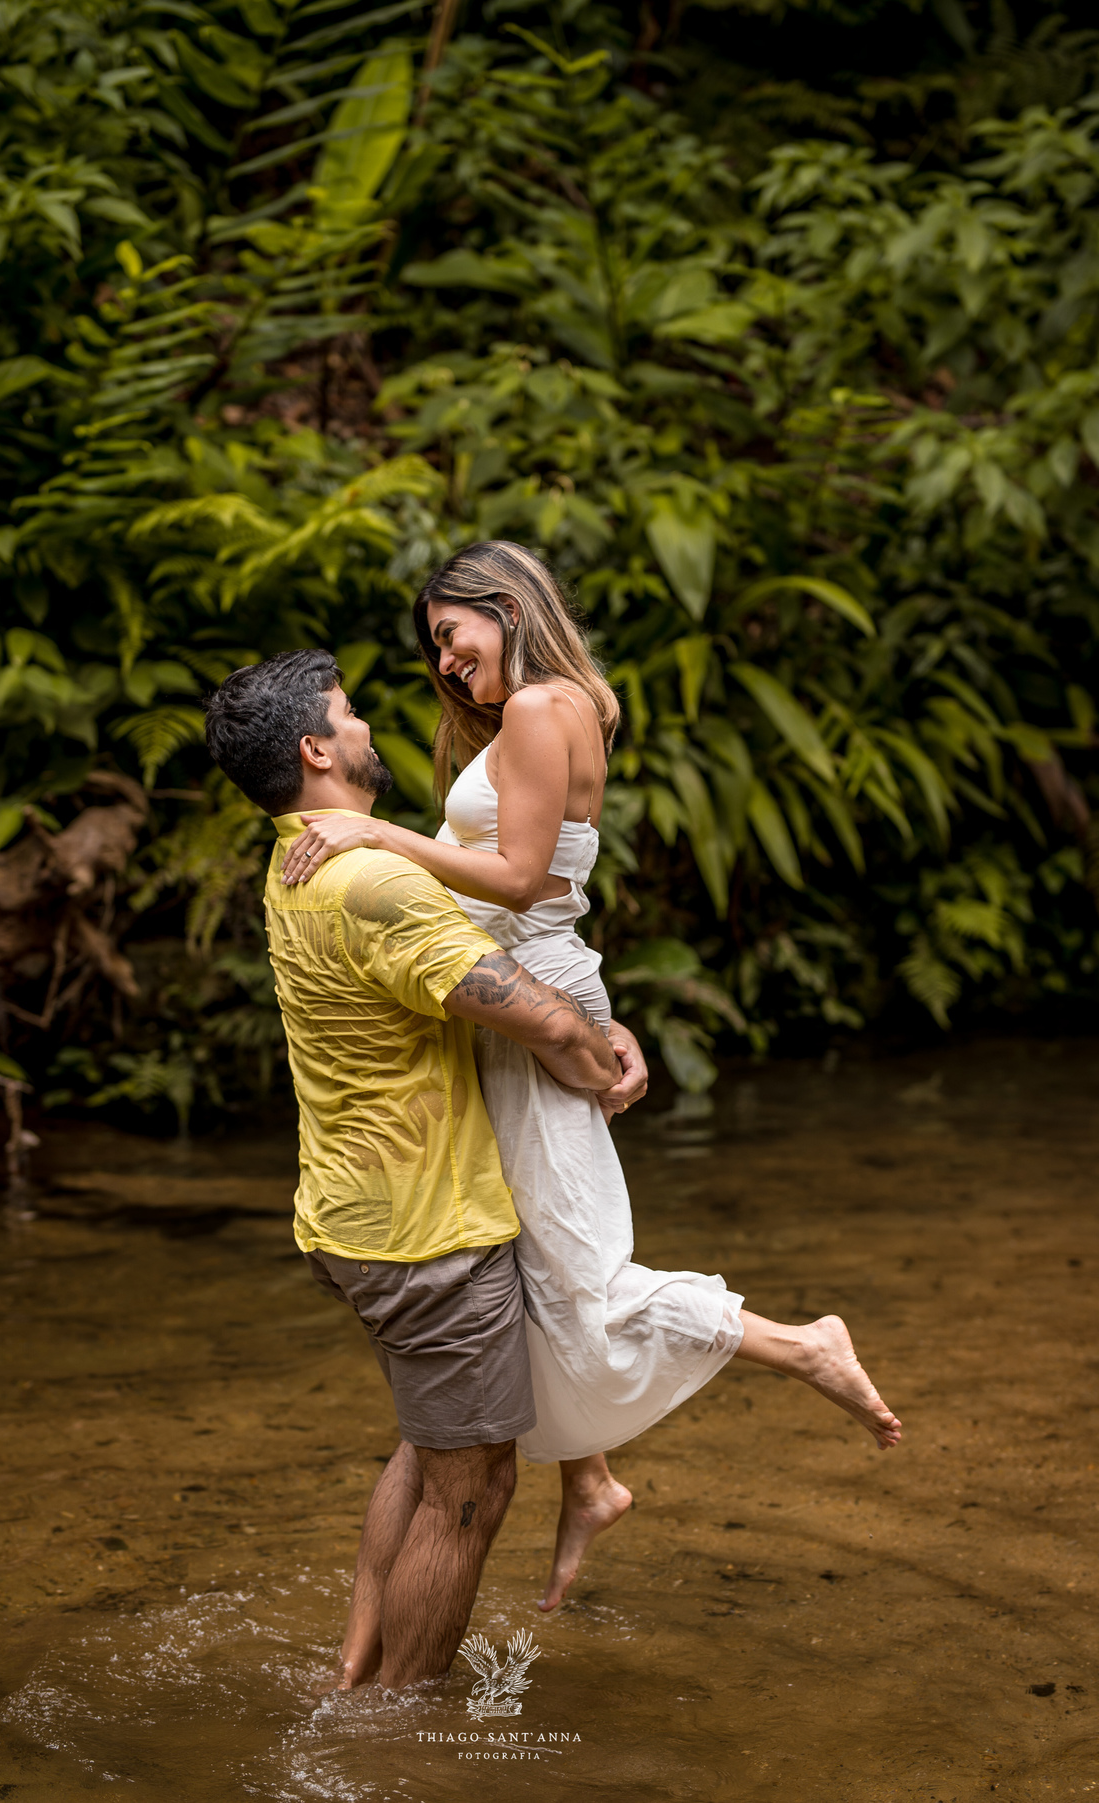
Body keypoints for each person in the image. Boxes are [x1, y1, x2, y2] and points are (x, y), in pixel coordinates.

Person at [282, 541, 903, 1613]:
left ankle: (803, 1345)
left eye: (450, 633)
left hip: (525, 995)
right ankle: (592, 1476)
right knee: (533, 1262)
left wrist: (368, 830)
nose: (442, 660)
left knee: (578, 1276)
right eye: (434, 645)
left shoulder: (536, 712)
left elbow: (522, 878)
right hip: (534, 987)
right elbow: (545, 882)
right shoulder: (571, 703)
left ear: (504, 606)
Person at [203, 646, 645, 1690]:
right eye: (349, 715)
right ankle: (395, 1733)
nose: (366, 728)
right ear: (317, 749)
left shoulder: (298, 858)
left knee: (426, 1449)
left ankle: (354, 1675)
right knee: (473, 1486)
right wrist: (606, 1061)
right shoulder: (369, 881)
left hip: (353, 1218)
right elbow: (528, 1010)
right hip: (428, 1236)